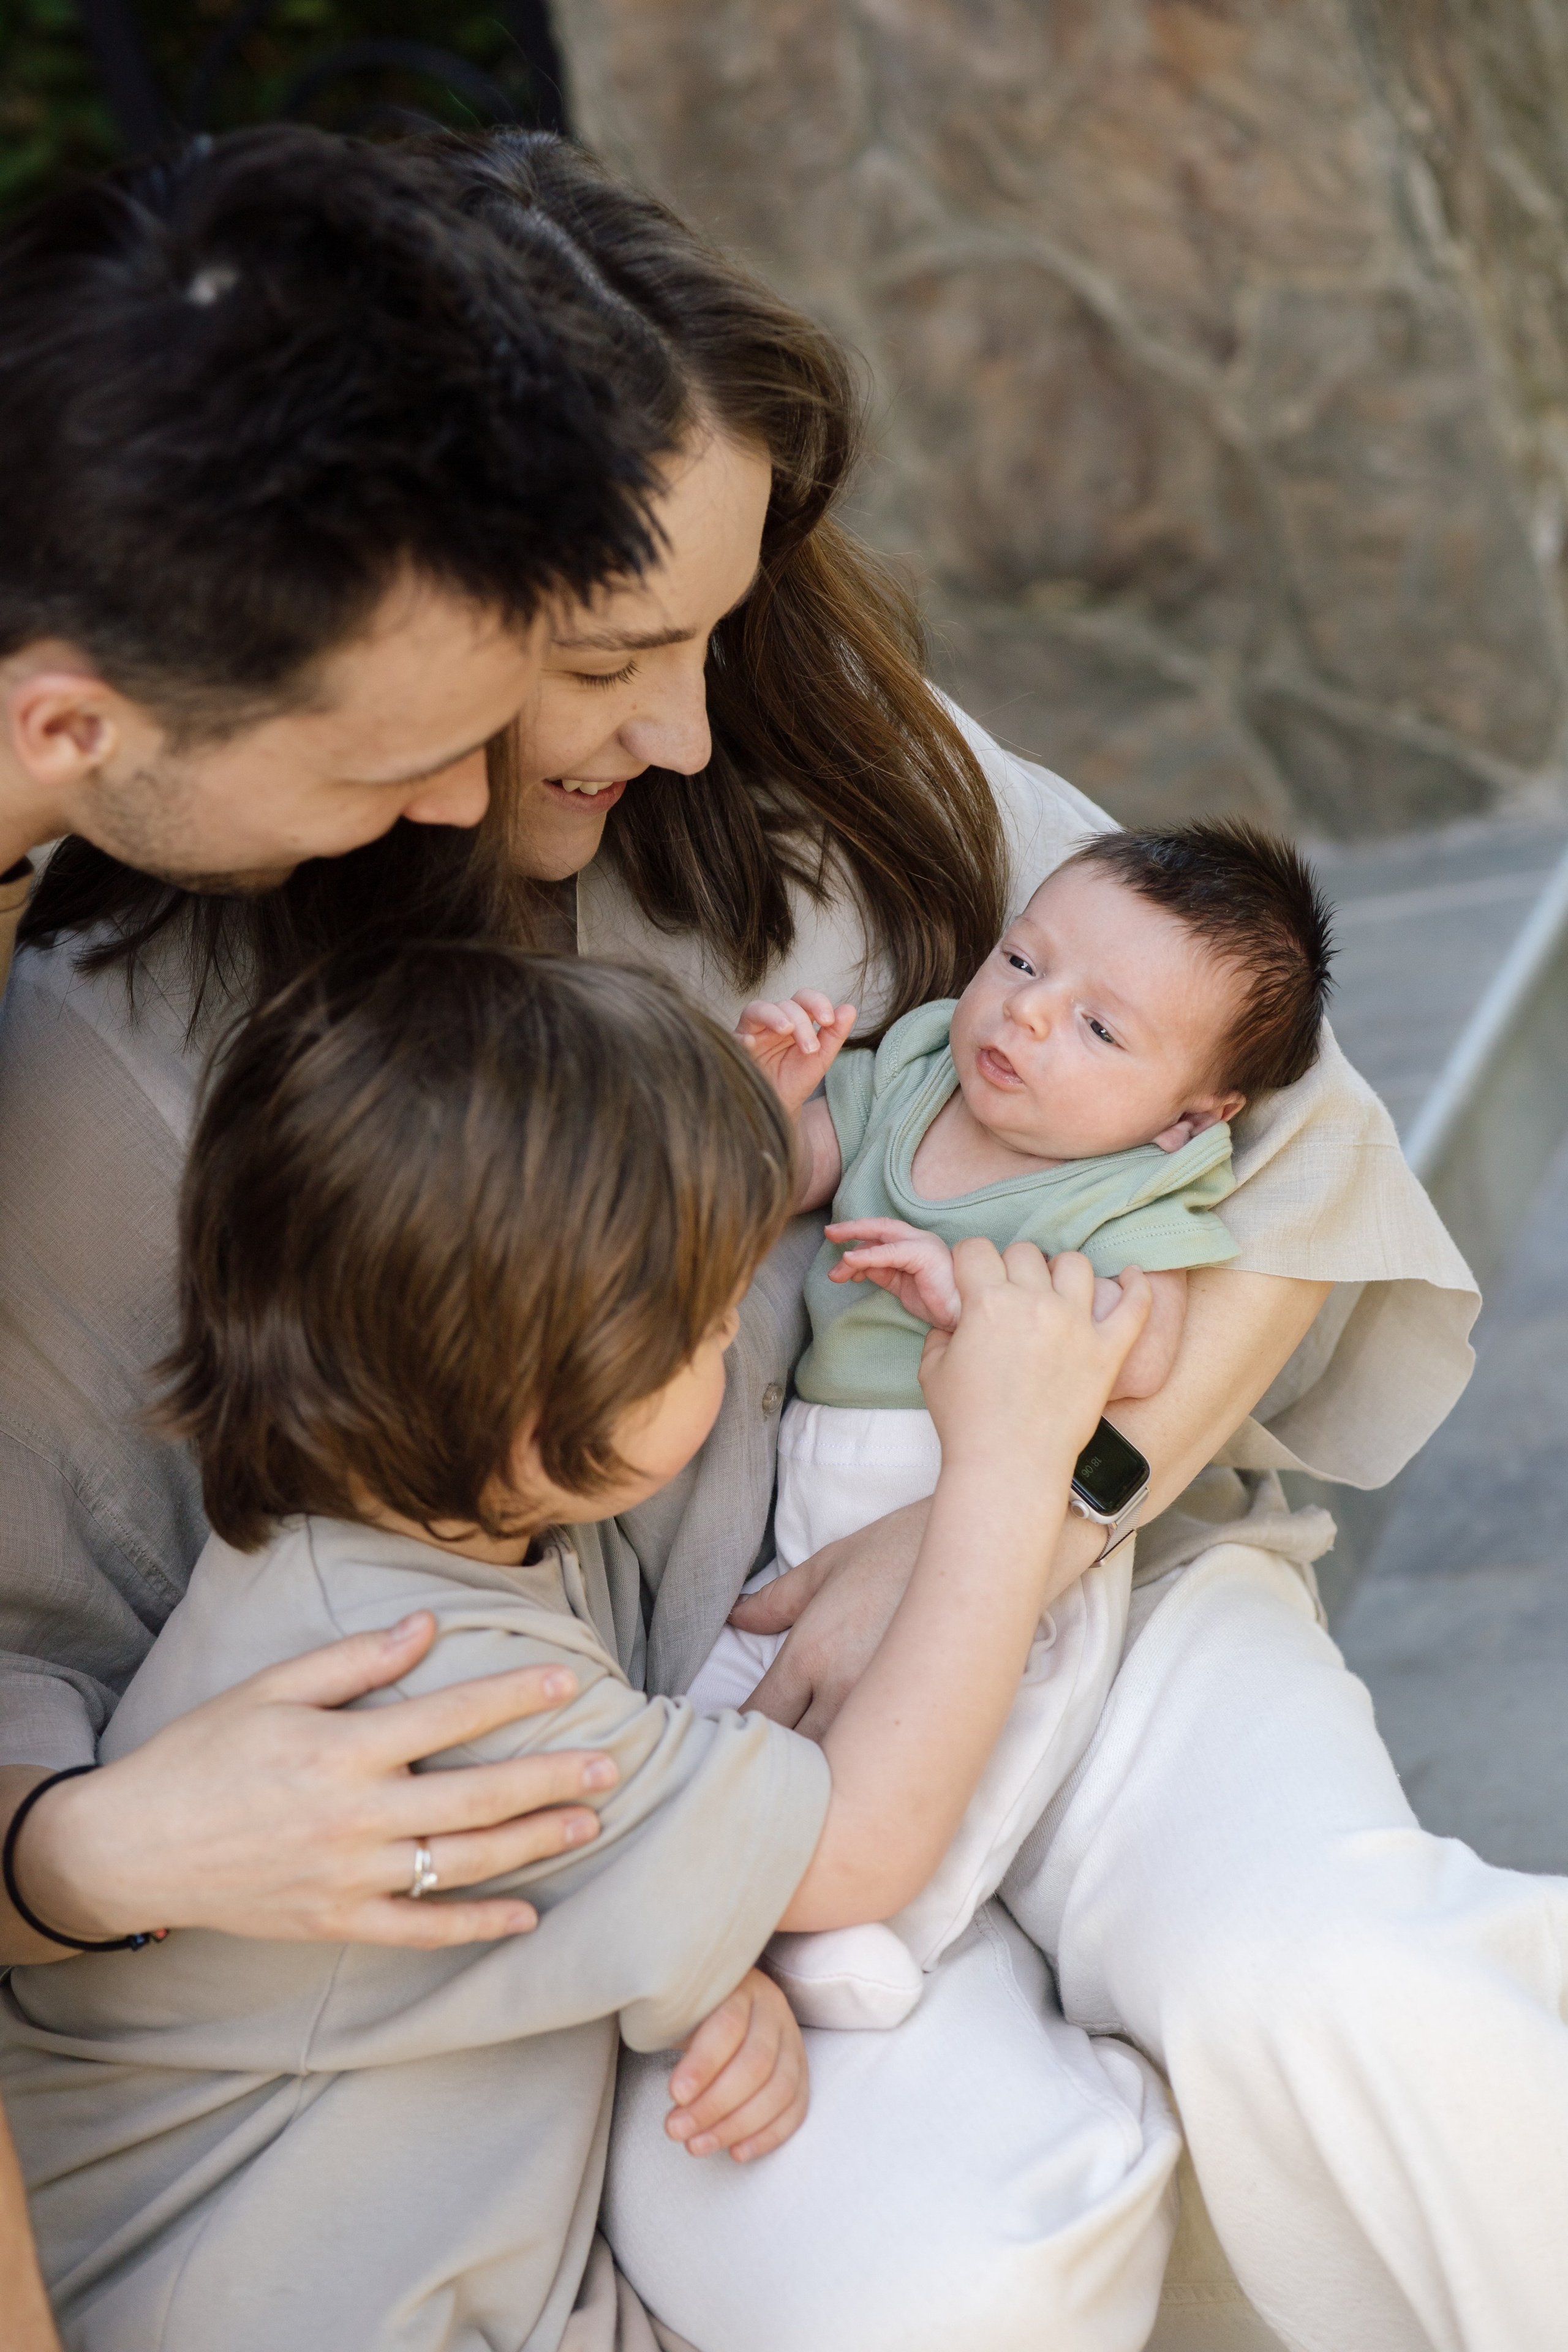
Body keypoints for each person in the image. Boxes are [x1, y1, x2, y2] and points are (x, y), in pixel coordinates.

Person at [2, 129, 1542, 2352]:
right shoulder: (119, 1068)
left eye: (721, 624)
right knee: (923, 2278)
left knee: (1353, 1992)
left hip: (1074, 1636)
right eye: (614, 644)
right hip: (699, 1821)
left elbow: (1292, 1142)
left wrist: (1026, 1517)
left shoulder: (812, 779)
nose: (692, 719)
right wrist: (87, 1858)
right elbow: (35, 1637)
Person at [4, 944, 1163, 2351]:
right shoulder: (427, 1678)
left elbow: (556, 1872)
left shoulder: (371, 1550)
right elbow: (860, 1844)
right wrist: (1009, 1463)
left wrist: (690, 1943)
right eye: (704, 1323)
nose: (739, 1326)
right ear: (531, 1414)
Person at [691, 821, 1333, 2034]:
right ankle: (726, 1872)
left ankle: (892, 1925)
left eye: (1099, 1030)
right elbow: (796, 1173)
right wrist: (767, 1110)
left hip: (1005, 1502)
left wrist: (979, 1297)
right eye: (1024, 963)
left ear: (1186, 1118)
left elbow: (1139, 1350)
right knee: (751, 1674)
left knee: (999, 1705)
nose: (1026, 1017)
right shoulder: (923, 1064)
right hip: (820, 1491)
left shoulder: (1133, 1188)